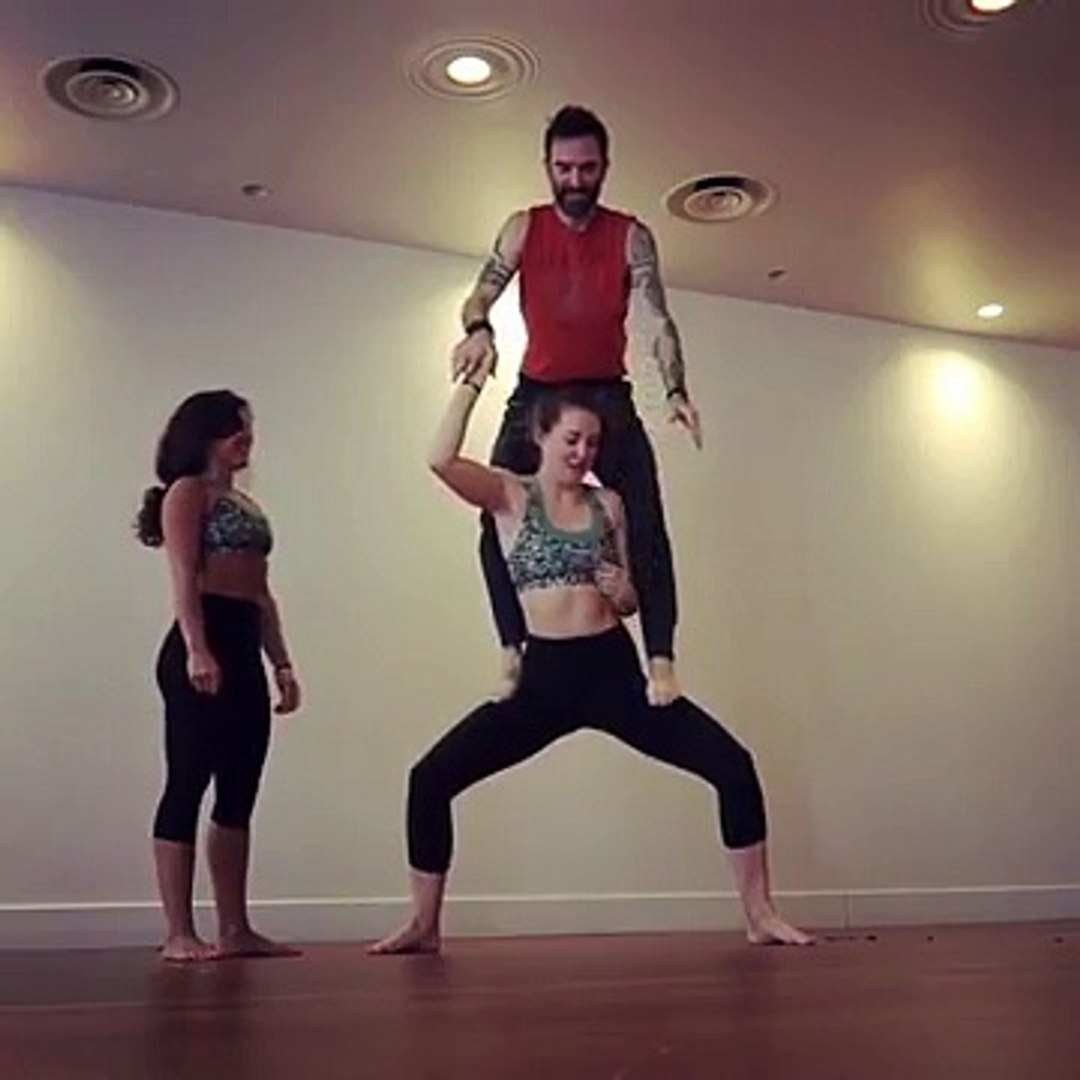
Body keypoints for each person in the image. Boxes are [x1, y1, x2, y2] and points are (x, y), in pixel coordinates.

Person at [369, 366, 811, 956]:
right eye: (572, 439)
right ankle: (424, 924)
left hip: (611, 670)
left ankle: (760, 914)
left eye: (593, 443)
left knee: (732, 764)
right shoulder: (509, 495)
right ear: (541, 436)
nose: (583, 453)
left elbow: (627, 601)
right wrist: (471, 384)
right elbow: (439, 459)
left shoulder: (610, 504)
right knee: (429, 779)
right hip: (544, 680)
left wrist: (624, 590)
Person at [450, 104, 701, 708]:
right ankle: (513, 650)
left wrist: (675, 389)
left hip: (605, 393)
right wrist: (479, 329)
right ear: (548, 166)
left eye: (587, 168)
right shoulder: (523, 228)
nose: (575, 180)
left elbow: (657, 319)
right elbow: (480, 294)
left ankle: (660, 661)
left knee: (645, 520)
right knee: (493, 515)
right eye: (564, 168)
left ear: (604, 166)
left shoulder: (631, 236)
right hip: (537, 392)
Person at [135, 390, 301, 962]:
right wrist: (197, 648)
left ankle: (236, 929)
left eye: (248, 428)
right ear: (207, 434)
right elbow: (183, 575)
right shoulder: (187, 493)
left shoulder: (245, 504)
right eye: (236, 428)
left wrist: (281, 662)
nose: (246, 438)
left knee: (239, 787)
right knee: (187, 780)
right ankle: (179, 932)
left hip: (243, 642)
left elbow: (262, 593)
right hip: (201, 644)